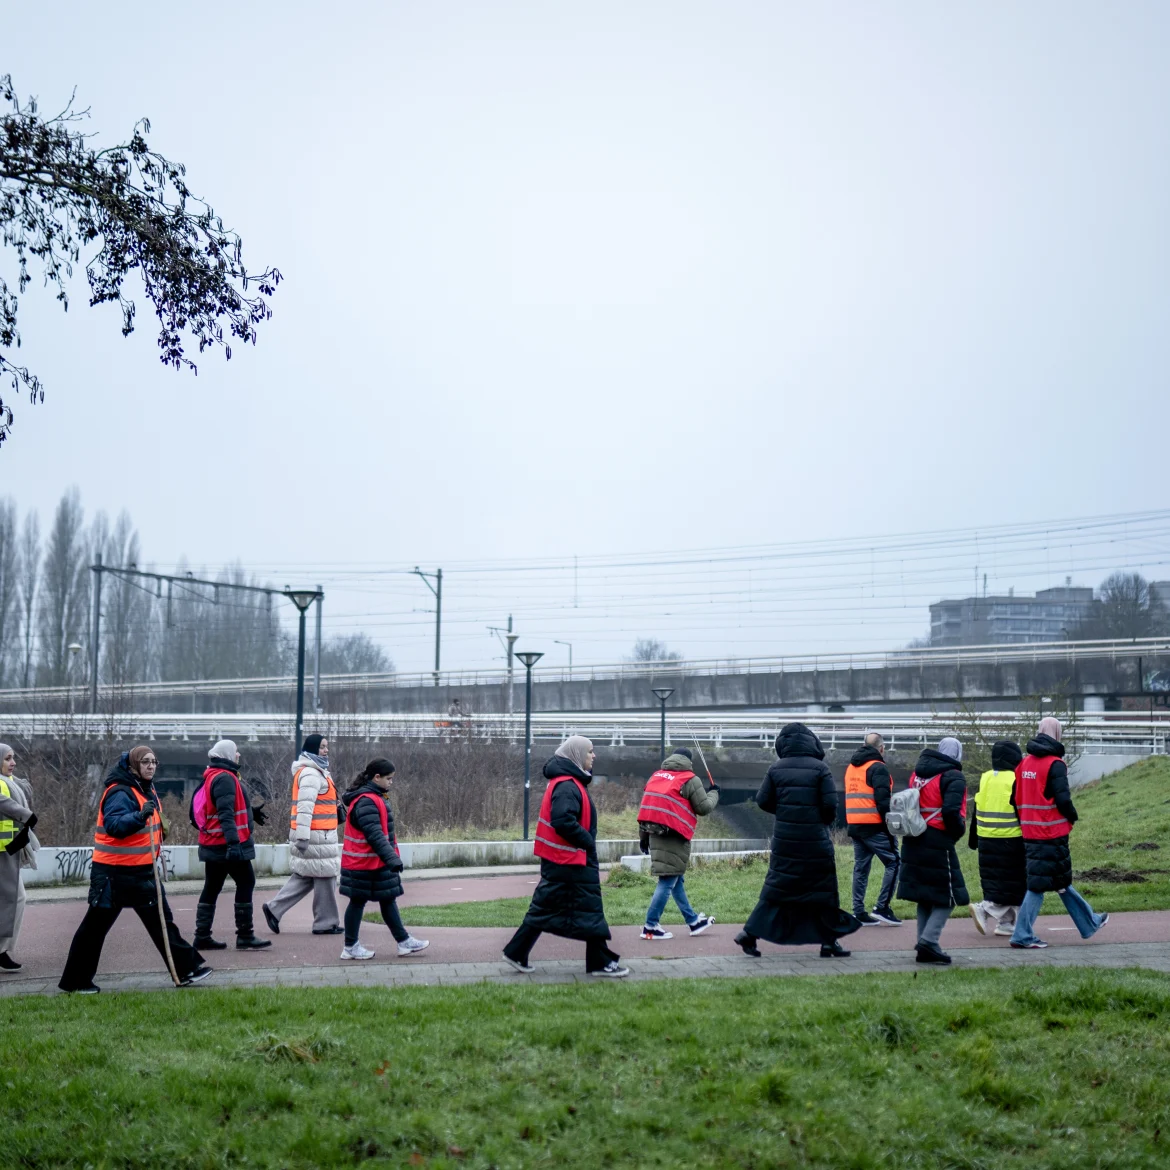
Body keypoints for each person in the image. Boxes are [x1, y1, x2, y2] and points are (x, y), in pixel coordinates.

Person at [59, 746, 210, 993]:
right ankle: (75, 981)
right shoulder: (120, 791)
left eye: (154, 762)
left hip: (140, 873)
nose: (151, 766)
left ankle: (187, 969)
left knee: (163, 923)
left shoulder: (143, 789)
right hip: (113, 875)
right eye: (145, 762)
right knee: (94, 929)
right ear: (133, 766)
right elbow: (115, 825)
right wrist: (140, 817)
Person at [503, 735, 628, 977]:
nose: (595, 755)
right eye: (590, 751)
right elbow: (562, 820)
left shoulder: (567, 782)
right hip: (571, 861)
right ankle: (600, 962)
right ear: (578, 755)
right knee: (588, 910)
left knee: (546, 909)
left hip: (565, 860)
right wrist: (587, 841)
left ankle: (516, 951)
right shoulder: (568, 785)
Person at [735, 723, 860, 959]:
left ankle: (749, 933)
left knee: (776, 890)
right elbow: (830, 805)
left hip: (785, 842)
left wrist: (785, 812)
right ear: (811, 743)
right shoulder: (820, 768)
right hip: (815, 841)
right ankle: (829, 943)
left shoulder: (775, 768)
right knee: (824, 890)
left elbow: (762, 801)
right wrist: (820, 821)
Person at [1009, 717, 1109, 950]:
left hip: (1030, 832)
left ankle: (1089, 922)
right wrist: (1072, 815)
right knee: (1038, 885)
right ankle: (1022, 935)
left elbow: (1014, 799)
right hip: (1051, 832)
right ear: (1057, 734)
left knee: (1059, 880)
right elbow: (1063, 799)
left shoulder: (1023, 764)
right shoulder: (1056, 765)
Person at [338, 757, 428, 960]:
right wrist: (392, 859)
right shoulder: (367, 801)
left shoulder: (373, 796)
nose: (391, 782)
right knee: (358, 902)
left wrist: (388, 858)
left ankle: (404, 942)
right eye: (389, 778)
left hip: (373, 862)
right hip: (363, 863)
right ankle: (350, 946)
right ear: (376, 777)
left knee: (387, 899)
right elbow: (375, 835)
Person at [193, 739, 271, 951]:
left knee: (212, 887)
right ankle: (245, 935)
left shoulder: (213, 775)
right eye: (236, 752)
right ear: (227, 755)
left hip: (214, 842)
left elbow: (224, 807)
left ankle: (202, 936)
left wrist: (250, 813)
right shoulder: (225, 778)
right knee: (246, 882)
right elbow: (226, 814)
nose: (238, 755)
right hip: (226, 843)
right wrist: (234, 844)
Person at [897, 736, 969, 965]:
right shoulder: (953, 777)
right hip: (937, 839)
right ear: (957, 754)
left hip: (913, 836)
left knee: (924, 895)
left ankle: (924, 946)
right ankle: (929, 940)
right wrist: (956, 833)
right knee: (949, 896)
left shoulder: (917, 774)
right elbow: (951, 811)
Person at [262, 733, 342, 936]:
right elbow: (305, 809)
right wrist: (303, 837)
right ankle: (325, 923)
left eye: (326, 747)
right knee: (325, 876)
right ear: (313, 749)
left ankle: (274, 909)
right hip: (317, 836)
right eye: (322, 747)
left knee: (306, 876)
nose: (326, 750)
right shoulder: (311, 774)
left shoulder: (317, 772)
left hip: (319, 835)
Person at [637, 747, 719, 940]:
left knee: (675, 879)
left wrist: (643, 837)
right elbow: (704, 807)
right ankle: (650, 926)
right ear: (688, 761)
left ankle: (693, 921)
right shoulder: (690, 779)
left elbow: (649, 806)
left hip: (654, 833)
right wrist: (714, 793)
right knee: (667, 881)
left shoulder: (657, 776)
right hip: (674, 835)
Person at [968, 739, 1026, 937]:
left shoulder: (986, 778)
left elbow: (977, 807)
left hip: (985, 838)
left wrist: (973, 839)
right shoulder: (1015, 779)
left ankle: (1005, 923)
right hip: (1011, 838)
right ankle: (985, 908)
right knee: (1015, 884)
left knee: (997, 881)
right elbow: (1021, 810)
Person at [844, 732, 902, 927]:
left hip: (855, 825)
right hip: (875, 825)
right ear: (881, 748)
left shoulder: (852, 767)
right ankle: (882, 908)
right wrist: (891, 825)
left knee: (861, 868)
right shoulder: (878, 767)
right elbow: (883, 801)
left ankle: (859, 911)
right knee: (894, 862)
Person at [0, 743, 36, 973]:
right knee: (15, 898)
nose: (13, 763)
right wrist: (27, 815)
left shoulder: (10, 782)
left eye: (13, 758)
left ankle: (3, 949)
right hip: (2, 851)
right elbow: (4, 804)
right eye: (7, 759)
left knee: (14, 899)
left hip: (9, 848)